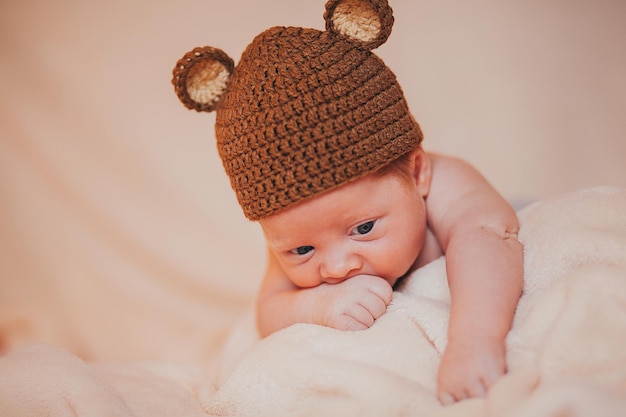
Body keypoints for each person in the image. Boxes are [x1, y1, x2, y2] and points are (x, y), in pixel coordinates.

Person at [171, 0, 523, 405]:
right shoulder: (296, 231)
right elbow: (268, 309)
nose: (337, 268)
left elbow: (489, 236)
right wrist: (317, 305)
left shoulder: (448, 184)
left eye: (364, 228)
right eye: (302, 250)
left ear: (417, 172)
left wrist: (474, 340)